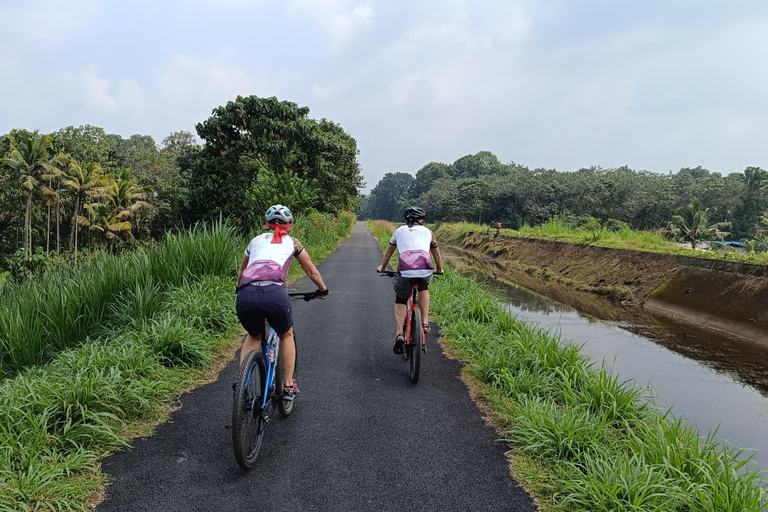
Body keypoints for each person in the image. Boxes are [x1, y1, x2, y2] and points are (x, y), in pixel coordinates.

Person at [236, 204, 328, 401]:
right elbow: (311, 270)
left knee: (254, 336)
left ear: (267, 224)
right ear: (289, 226)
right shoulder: (293, 243)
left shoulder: (254, 241)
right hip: (274, 294)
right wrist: (323, 289)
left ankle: (241, 386)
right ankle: (287, 387)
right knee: (286, 334)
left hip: (245, 294)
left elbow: (242, 271)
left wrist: (239, 290)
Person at [377, 207, 443, 355]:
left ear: (407, 220)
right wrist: (439, 269)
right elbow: (437, 256)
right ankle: (425, 323)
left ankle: (400, 334)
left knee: (401, 300)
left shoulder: (399, 231)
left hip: (405, 271)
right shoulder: (428, 232)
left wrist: (382, 267)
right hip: (425, 270)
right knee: (423, 288)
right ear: (422, 220)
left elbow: (388, 253)